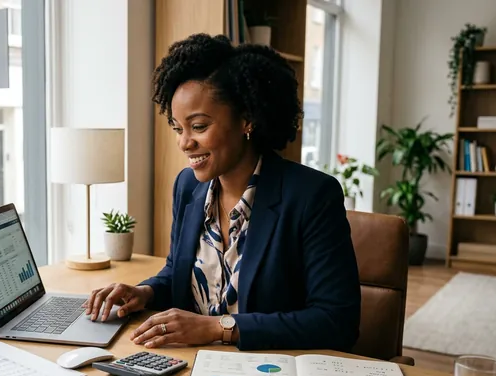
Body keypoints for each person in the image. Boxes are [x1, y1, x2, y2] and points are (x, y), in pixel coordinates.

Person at [84, 35, 361, 352]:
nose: (184, 143)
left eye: (198, 126)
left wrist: (218, 329)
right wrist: (144, 292)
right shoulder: (188, 186)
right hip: (189, 366)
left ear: (247, 119)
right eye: (178, 128)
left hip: (270, 371)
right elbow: (178, 272)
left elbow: (337, 321)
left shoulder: (312, 196)